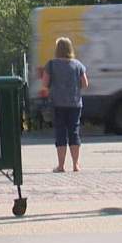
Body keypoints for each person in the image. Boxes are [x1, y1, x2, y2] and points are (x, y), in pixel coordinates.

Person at [41, 37, 88, 172]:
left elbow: (44, 83)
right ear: (70, 49)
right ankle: (76, 165)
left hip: (57, 103)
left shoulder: (51, 64)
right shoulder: (78, 65)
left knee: (60, 133)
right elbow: (85, 84)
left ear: (57, 49)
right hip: (75, 103)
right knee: (74, 132)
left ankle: (61, 166)